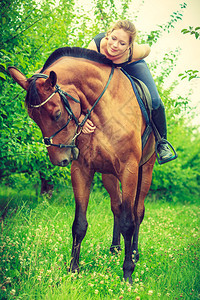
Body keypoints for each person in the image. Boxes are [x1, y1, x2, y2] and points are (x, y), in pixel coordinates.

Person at [79, 20, 176, 163]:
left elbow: (147, 49)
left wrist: (136, 51)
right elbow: (82, 85)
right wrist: (81, 116)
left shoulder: (133, 52)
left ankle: (162, 143)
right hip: (105, 70)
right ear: (108, 34)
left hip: (132, 64)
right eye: (113, 39)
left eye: (122, 43)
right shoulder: (95, 47)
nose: (115, 45)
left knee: (155, 100)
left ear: (129, 45)